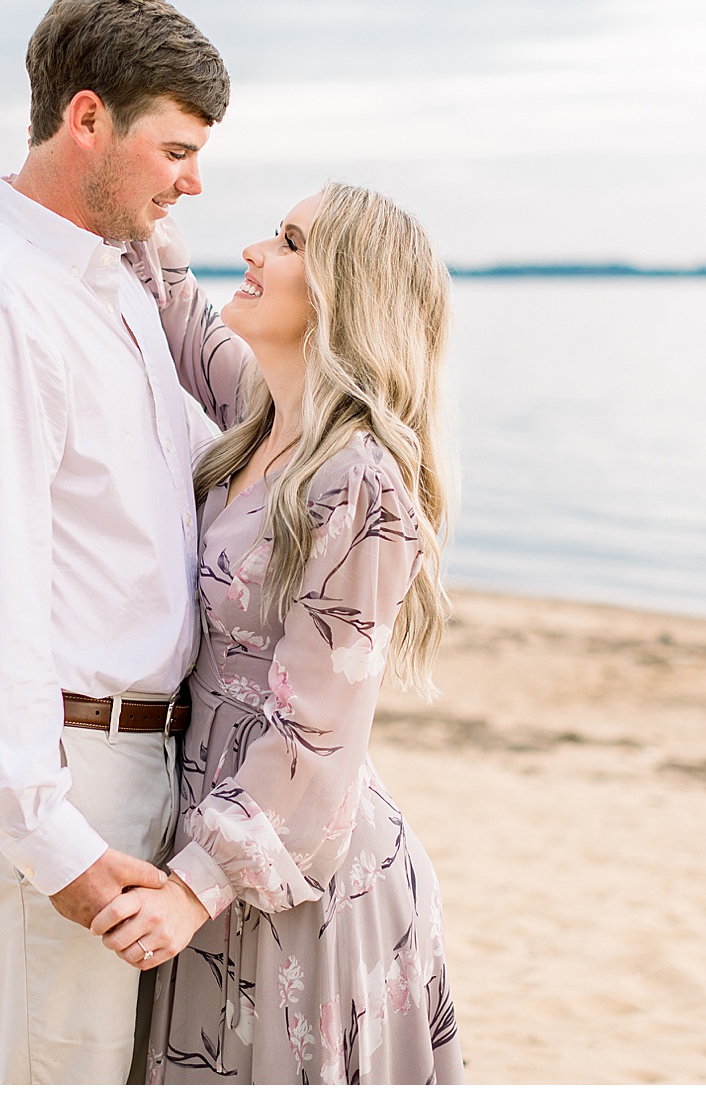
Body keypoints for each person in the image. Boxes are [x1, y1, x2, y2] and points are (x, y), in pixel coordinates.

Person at [0, 0, 229, 1083]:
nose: (193, 183)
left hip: (135, 759)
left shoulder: (112, 287)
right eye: (176, 150)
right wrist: (52, 838)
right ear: (87, 120)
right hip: (66, 773)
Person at [90, 185, 467, 1083]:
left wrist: (195, 886)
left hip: (287, 873)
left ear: (346, 292)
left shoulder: (361, 481)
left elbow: (317, 730)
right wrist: (137, 200)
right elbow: (186, 323)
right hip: (209, 838)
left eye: (291, 241)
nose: (256, 250)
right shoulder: (264, 417)